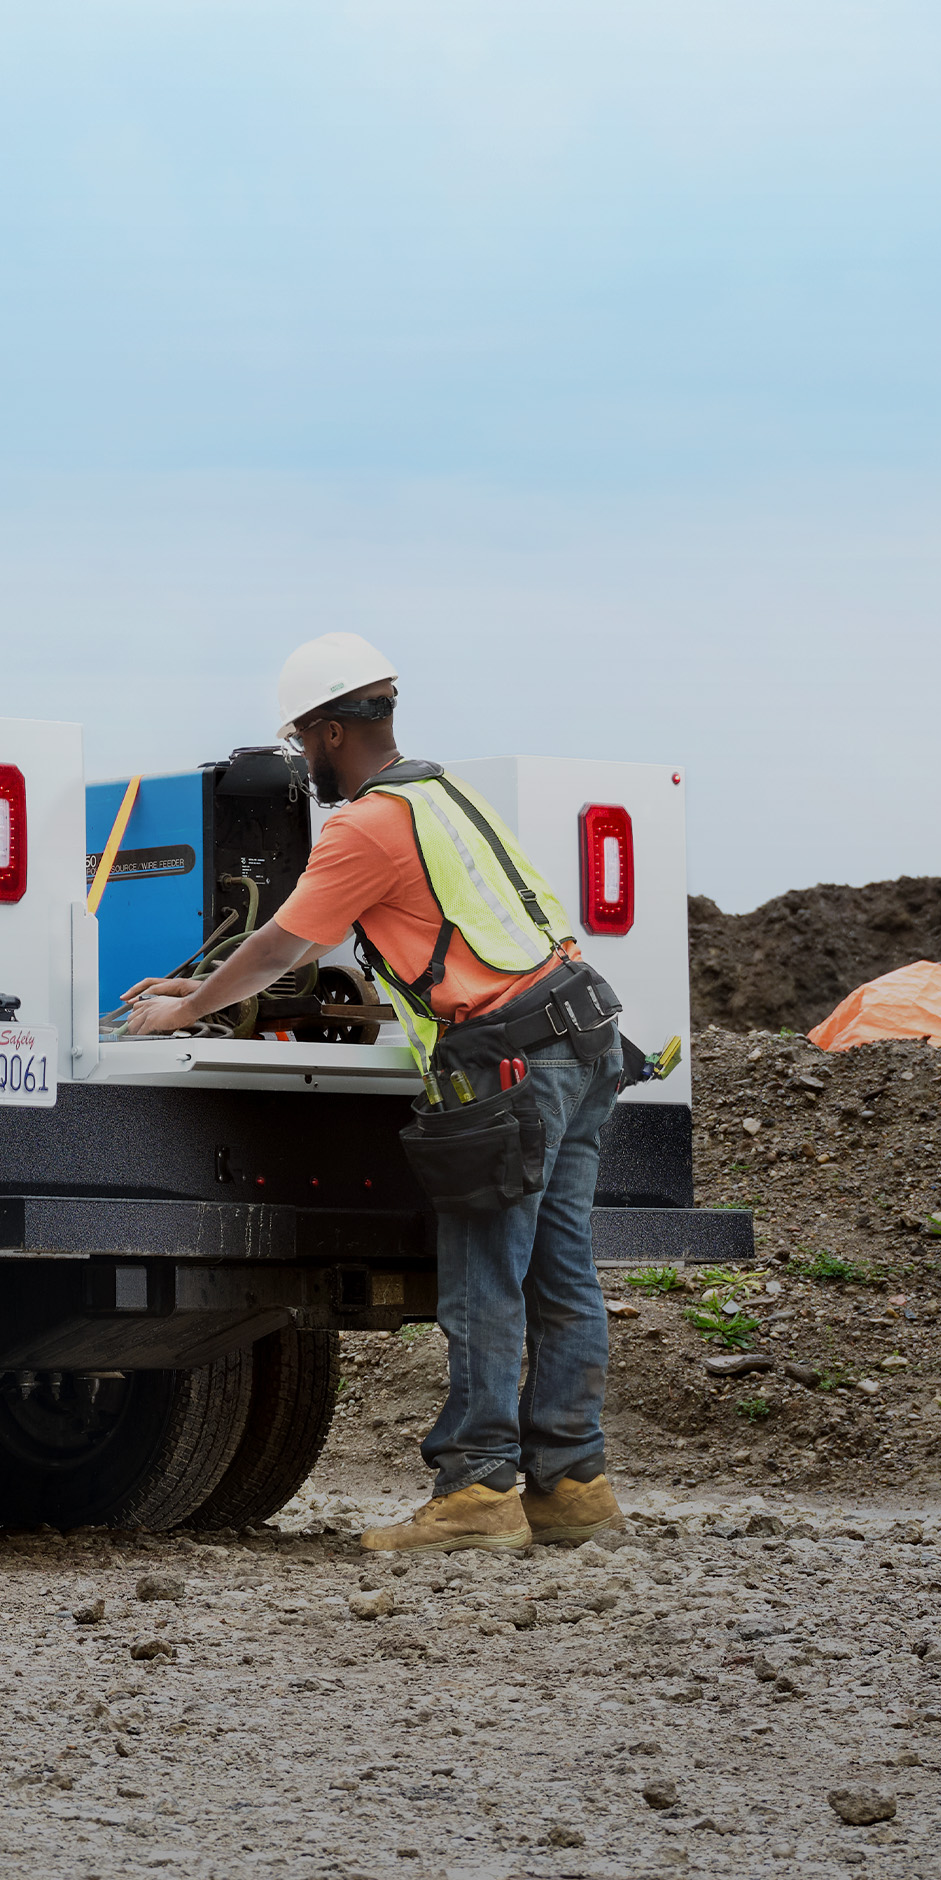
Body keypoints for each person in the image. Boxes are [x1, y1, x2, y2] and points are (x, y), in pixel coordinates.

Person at [117, 633, 637, 1554]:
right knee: (562, 1277)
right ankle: (573, 1486)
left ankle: (477, 1493)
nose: (300, 763)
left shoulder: (363, 823)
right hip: (583, 1036)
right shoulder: (442, 796)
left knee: (484, 1281)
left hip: (508, 1059)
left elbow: (283, 943)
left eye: (299, 743)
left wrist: (187, 1008)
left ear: (325, 732)